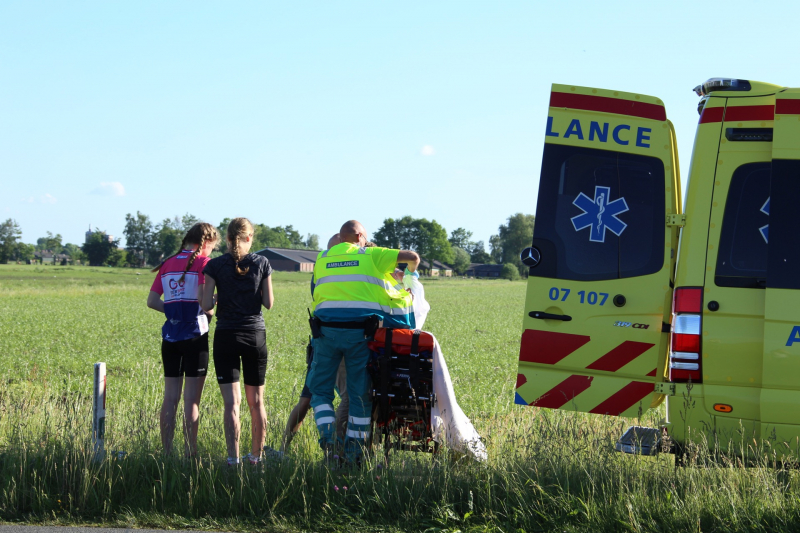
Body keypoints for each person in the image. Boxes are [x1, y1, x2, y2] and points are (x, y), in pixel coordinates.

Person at [309, 220, 420, 464]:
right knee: (359, 395)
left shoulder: (322, 258)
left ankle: (328, 441)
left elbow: (317, 291)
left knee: (319, 392)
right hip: (360, 335)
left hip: (325, 334)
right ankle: (354, 454)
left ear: (340, 237)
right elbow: (412, 257)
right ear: (360, 236)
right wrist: (409, 277)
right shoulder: (370, 254)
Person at [201, 217, 274, 466]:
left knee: (232, 404)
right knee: (256, 403)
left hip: (226, 336)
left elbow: (206, 304)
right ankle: (256, 458)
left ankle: (233, 460)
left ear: (228, 238)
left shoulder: (215, 265)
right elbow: (268, 303)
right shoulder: (262, 262)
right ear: (249, 237)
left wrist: (222, 294)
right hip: (255, 336)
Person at [146, 222, 220, 457]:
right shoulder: (204, 263)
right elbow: (204, 304)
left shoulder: (167, 263)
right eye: (213, 248)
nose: (212, 253)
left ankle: (167, 453)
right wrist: (212, 306)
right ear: (206, 242)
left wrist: (173, 312)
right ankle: (190, 454)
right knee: (192, 401)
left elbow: (152, 301)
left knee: (170, 398)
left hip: (170, 337)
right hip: (195, 338)